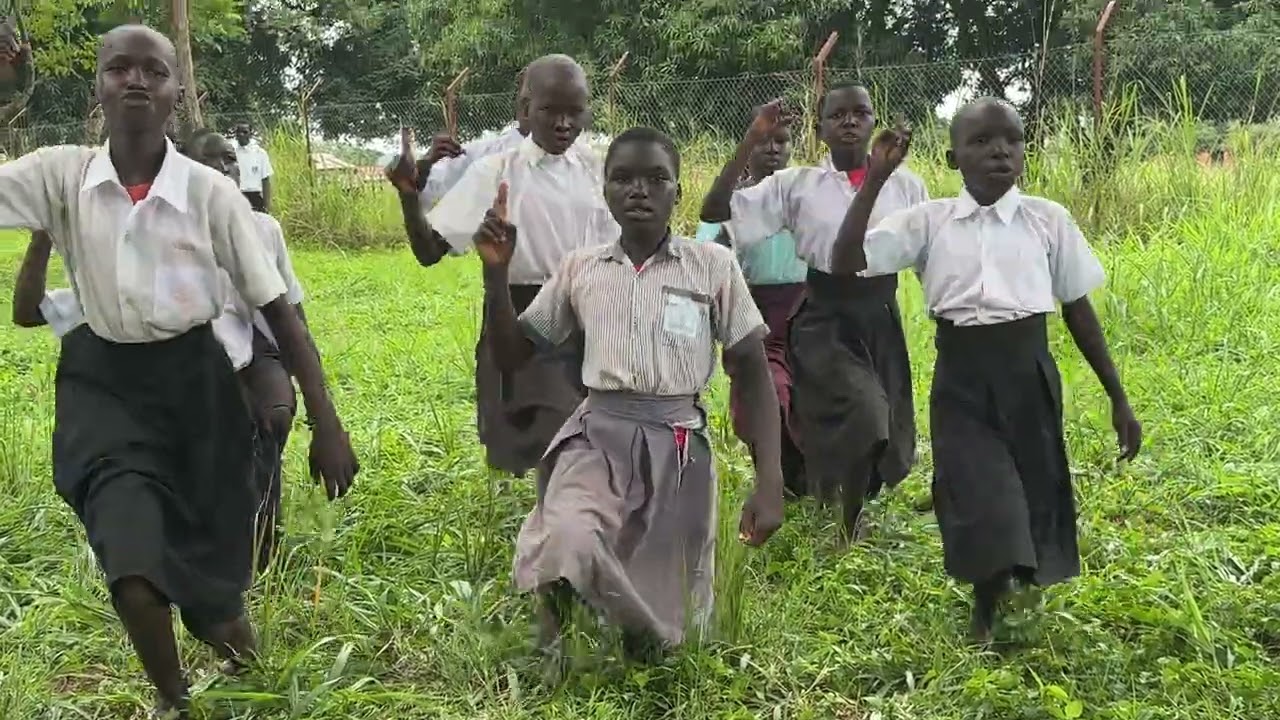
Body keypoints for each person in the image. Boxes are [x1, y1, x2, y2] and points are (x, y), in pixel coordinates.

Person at [0, 25, 357, 719]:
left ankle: (242, 658)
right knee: (133, 572)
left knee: (214, 598)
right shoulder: (59, 174)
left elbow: (283, 318)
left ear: (177, 92)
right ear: (98, 85)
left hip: (198, 387)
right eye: (120, 68)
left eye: (154, 71)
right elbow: (27, 303)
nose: (136, 80)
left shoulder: (211, 194)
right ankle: (175, 699)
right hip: (105, 387)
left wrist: (328, 426)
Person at [830, 98, 1142, 642]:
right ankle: (985, 604)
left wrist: (1117, 397)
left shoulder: (1048, 220)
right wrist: (874, 181)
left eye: (1012, 140)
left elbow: (1077, 310)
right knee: (978, 484)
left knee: (1033, 478)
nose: (999, 150)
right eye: (980, 141)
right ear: (953, 159)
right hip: (962, 374)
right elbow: (846, 260)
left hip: (1028, 366)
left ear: (1024, 150)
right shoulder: (929, 222)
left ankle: (1018, 573)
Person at [479, 127, 784, 675]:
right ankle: (555, 633)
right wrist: (496, 274)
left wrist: (770, 480)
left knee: (674, 620)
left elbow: (754, 371)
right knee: (569, 530)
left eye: (655, 179)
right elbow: (512, 355)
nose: (639, 190)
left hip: (677, 445)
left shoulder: (712, 267)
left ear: (678, 193)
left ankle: (639, 632)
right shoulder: (582, 268)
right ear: (606, 192)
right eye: (623, 178)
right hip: (597, 434)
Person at [700, 83, 929, 545]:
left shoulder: (908, 186)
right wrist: (751, 138)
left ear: (872, 122)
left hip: (879, 315)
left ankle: (849, 503)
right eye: (837, 114)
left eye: (860, 113)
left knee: (887, 428)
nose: (849, 121)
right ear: (820, 129)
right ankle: (845, 521)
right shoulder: (796, 185)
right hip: (824, 315)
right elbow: (715, 209)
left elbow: (928, 252)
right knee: (866, 416)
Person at [388, 54, 613, 477]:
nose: (564, 123)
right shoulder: (496, 171)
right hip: (522, 316)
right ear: (526, 109)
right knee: (555, 436)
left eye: (575, 112)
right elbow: (429, 250)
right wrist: (407, 195)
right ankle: (557, 529)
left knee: (594, 435)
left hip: (593, 312)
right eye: (551, 111)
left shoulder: (595, 167)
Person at [185, 127, 312, 573]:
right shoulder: (168, 228)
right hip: (192, 354)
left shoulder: (264, 228)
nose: (224, 168)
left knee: (273, 415)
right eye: (210, 161)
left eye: (229, 159)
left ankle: (264, 536)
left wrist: (309, 380)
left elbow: (292, 308)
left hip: (254, 346)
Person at [693, 109, 807, 497]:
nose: (773, 149)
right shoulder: (733, 201)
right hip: (753, 312)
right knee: (767, 395)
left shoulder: (804, 193)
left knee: (811, 394)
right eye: (764, 141)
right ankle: (772, 476)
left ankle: (806, 476)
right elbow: (706, 251)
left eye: (782, 141)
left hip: (806, 310)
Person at [234, 121, 273, 212]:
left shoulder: (260, 153)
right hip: (238, 196)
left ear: (250, 135)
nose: (241, 135)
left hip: (255, 197)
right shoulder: (232, 154)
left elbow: (265, 180)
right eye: (238, 132)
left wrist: (267, 205)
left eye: (245, 132)